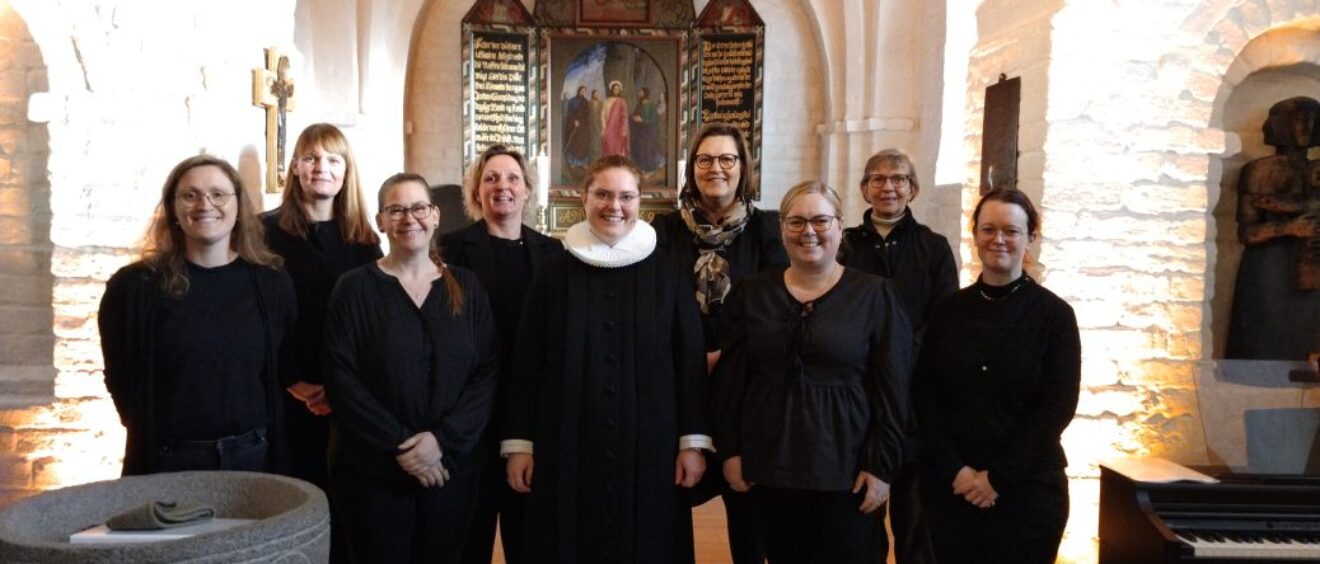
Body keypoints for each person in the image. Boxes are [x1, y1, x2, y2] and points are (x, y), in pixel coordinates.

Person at [504, 155, 709, 563]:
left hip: (651, 446)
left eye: (626, 196)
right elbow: (528, 362)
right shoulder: (553, 273)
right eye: (603, 194)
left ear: (640, 202)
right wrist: (520, 444)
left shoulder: (668, 273)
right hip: (566, 444)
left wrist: (693, 443)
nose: (614, 205)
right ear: (584, 198)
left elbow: (689, 363)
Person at [713, 180, 912, 564]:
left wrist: (881, 465)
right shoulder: (752, 293)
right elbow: (730, 382)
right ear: (782, 229)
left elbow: (893, 389)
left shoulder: (875, 295)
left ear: (840, 226)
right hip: (771, 466)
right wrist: (731, 451)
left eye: (821, 220)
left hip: (847, 469)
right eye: (797, 221)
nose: (809, 231)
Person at [323, 173, 498, 564]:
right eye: (396, 210)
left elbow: (486, 375)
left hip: (449, 469)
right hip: (374, 473)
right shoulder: (353, 289)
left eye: (419, 208)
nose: (409, 218)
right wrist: (403, 445)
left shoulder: (468, 287)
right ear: (380, 221)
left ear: (435, 216)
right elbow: (341, 379)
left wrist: (441, 442)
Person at [99, 154, 295, 476]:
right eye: (190, 195)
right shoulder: (134, 287)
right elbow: (120, 376)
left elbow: (283, 368)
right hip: (169, 460)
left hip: (252, 456)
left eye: (218, 194)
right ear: (173, 208)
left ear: (238, 205)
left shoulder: (272, 284)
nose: (205, 205)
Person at [914, 189, 1080, 564]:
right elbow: (925, 395)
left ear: (1031, 237)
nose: (998, 239)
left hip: (1029, 492)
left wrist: (997, 478)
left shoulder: (1054, 316)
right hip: (952, 488)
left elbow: (1057, 407)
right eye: (988, 229)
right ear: (975, 234)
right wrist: (956, 469)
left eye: (1011, 230)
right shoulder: (947, 311)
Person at [652, 122, 787, 564]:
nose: (716, 168)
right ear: (691, 168)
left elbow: (777, 307)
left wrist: (726, 357)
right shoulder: (664, 230)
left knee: (748, 515)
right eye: (705, 159)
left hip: (745, 388)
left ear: (743, 166)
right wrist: (693, 357)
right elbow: (654, 306)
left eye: (727, 159)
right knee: (668, 508)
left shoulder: (767, 230)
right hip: (680, 386)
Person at [262, 123, 381, 563]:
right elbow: (259, 320)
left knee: (345, 515)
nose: (321, 168)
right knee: (293, 510)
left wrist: (342, 390)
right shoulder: (262, 232)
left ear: (347, 170)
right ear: (295, 167)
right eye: (311, 158)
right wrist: (291, 380)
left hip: (347, 400)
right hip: (285, 395)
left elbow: (372, 328)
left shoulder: (364, 240)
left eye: (333, 159)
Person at [442, 145, 563, 564]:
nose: (502, 186)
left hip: (530, 412)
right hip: (471, 412)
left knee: (529, 538)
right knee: (468, 538)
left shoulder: (552, 253)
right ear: (476, 191)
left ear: (527, 189)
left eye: (512, 178)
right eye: (491, 178)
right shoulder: (451, 249)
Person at [840, 148, 956, 564]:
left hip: (915, 395)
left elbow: (943, 318)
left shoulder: (934, 248)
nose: (888, 186)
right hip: (860, 394)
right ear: (864, 189)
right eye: (878, 178)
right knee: (862, 515)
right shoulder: (845, 245)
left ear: (913, 189)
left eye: (898, 179)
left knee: (915, 521)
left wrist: (900, 357)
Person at [1225, 96, 1320, 360]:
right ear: (1282, 126)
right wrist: (1289, 227)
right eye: (1299, 120)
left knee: (1308, 335)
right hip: (1271, 265)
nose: (1307, 127)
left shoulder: (1316, 169)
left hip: (1311, 263)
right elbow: (1247, 232)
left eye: (1313, 120)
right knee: (1265, 337)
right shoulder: (1260, 170)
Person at [630, 87, 663, 171]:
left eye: (641, 92)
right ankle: (641, 168)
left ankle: (650, 169)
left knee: (648, 150)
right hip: (640, 132)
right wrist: (634, 118)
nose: (639, 94)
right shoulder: (639, 105)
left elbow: (655, 119)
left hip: (649, 132)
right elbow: (634, 115)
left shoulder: (651, 105)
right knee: (640, 150)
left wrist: (643, 120)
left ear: (645, 93)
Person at [564, 86, 593, 169]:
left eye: (584, 91)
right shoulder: (572, 101)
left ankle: (583, 163)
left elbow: (587, 114)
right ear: (578, 91)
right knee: (574, 144)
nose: (583, 93)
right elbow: (569, 113)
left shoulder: (585, 101)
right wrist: (574, 121)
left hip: (583, 127)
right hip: (574, 125)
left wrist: (582, 122)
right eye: (582, 91)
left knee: (583, 144)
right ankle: (572, 162)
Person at [601, 80, 630, 158]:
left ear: (619, 91)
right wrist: (604, 127)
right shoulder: (607, 101)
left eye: (617, 89)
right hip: (609, 127)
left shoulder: (622, 101)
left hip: (619, 127)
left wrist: (624, 128)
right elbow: (603, 114)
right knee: (609, 144)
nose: (616, 91)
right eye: (615, 89)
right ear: (612, 90)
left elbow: (624, 115)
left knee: (619, 145)